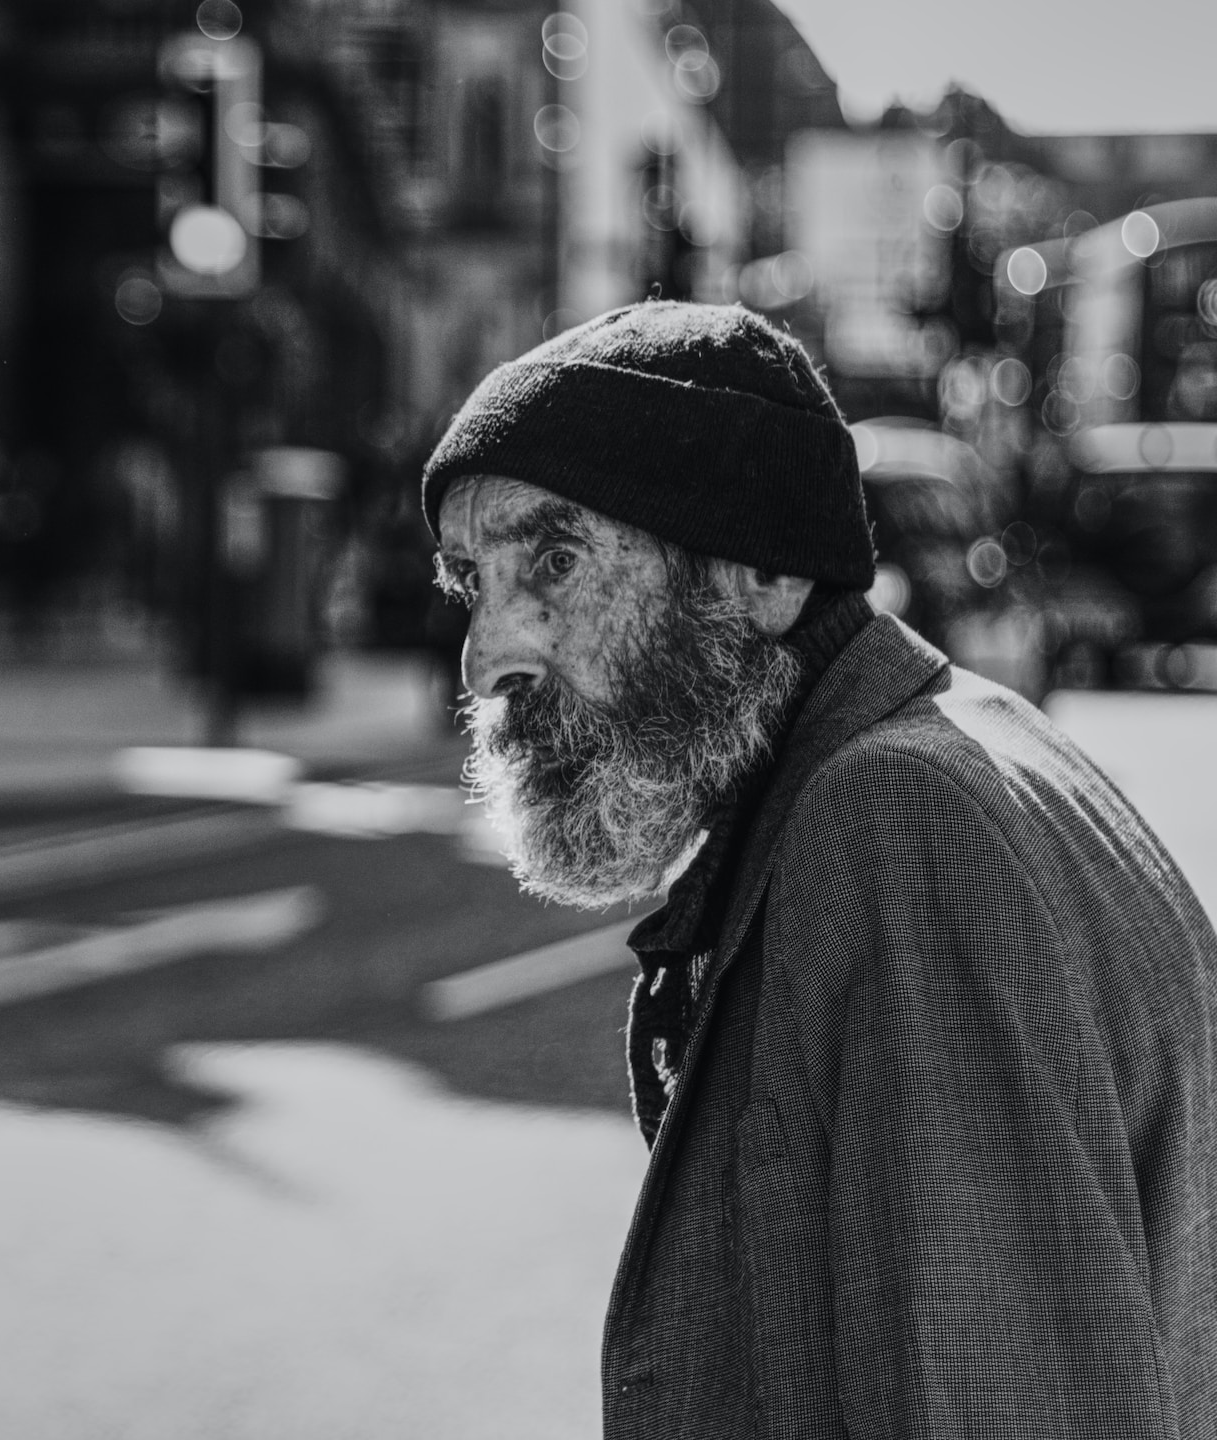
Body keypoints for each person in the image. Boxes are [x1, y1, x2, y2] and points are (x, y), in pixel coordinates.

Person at [423, 300, 1217, 1437]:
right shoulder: (958, 746)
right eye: (470, 582)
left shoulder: (897, 820)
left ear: (760, 573)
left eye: (554, 559)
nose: (490, 653)